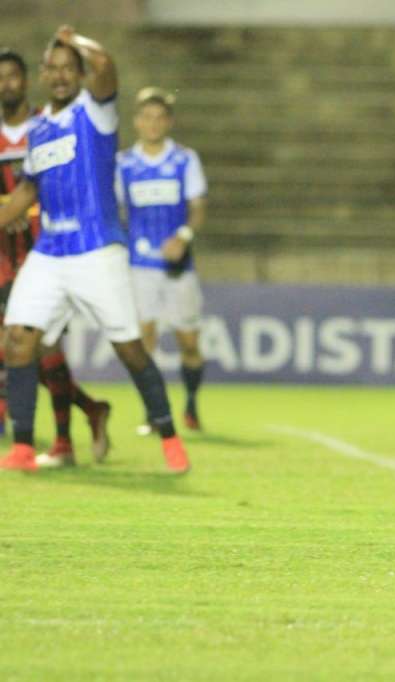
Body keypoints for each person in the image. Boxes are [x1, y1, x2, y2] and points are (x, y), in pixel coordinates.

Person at [0, 27, 189, 473]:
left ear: (81, 74)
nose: (62, 76)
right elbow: (28, 191)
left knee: (129, 349)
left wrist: (76, 39)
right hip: (49, 252)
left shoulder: (96, 111)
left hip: (97, 251)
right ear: (43, 74)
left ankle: (169, 436)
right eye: (55, 68)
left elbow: (107, 68)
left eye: (70, 69)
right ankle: (24, 447)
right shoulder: (40, 126)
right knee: (18, 341)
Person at [0, 47, 110, 467]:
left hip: (45, 250)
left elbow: (68, 181)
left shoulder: (48, 125)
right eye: (1, 77)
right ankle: (87, 411)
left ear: (26, 80)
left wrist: (21, 208)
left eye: (13, 76)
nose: (6, 84)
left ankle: (62, 441)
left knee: (41, 346)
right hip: (3, 256)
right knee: (17, 347)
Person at [116, 87, 207, 433]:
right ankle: (155, 413)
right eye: (147, 117)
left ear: (168, 122)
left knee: (188, 343)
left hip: (178, 267)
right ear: (137, 122)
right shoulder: (124, 164)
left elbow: (198, 207)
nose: (153, 124)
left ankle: (191, 402)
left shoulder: (185, 160)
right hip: (141, 265)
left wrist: (183, 237)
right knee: (145, 339)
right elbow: (117, 211)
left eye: (160, 117)